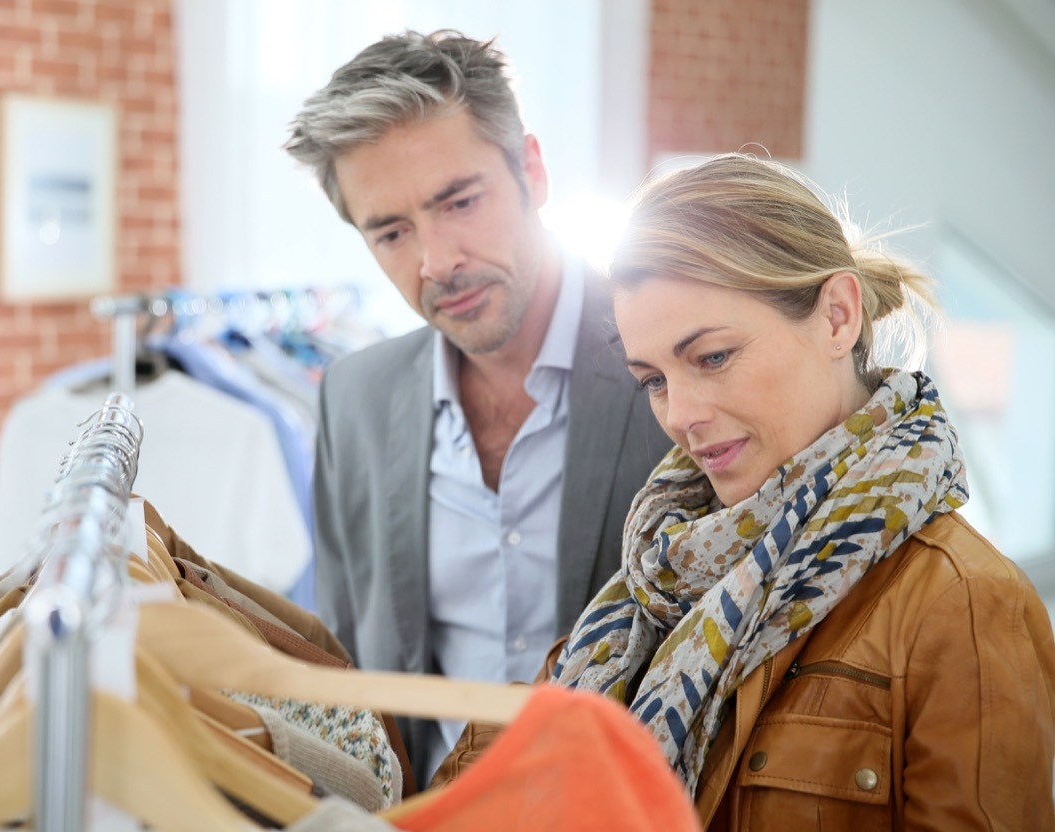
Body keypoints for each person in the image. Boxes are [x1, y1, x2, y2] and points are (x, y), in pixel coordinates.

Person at [433, 153, 1055, 829]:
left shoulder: (962, 604)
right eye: (654, 379)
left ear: (838, 316)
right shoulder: (658, 577)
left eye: (713, 357)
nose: (680, 415)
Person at [283, 29, 672, 784]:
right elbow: (349, 670)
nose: (436, 262)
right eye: (390, 232)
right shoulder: (354, 399)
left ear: (531, 168)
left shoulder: (670, 364)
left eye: (459, 201)